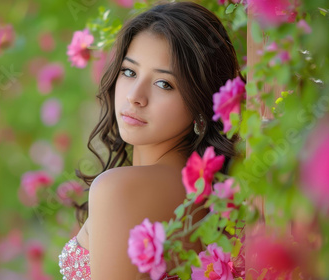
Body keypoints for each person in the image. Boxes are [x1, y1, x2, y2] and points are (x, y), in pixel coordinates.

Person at [59, 1, 242, 279]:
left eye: (164, 84)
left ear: (201, 104)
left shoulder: (119, 190)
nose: (135, 95)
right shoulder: (213, 195)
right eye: (129, 72)